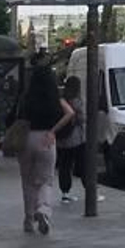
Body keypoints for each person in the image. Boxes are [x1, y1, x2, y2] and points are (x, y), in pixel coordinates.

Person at [18, 67, 74, 235]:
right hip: (47, 139)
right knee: (45, 180)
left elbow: (16, 117)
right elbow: (70, 113)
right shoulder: (55, 99)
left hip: (26, 138)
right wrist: (53, 131)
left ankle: (28, 219)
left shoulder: (26, 98)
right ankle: (43, 209)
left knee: (27, 181)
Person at [56, 76, 87, 204]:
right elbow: (82, 118)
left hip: (62, 138)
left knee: (64, 166)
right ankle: (90, 190)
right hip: (76, 138)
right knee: (84, 165)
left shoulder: (61, 99)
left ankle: (65, 193)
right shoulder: (76, 100)